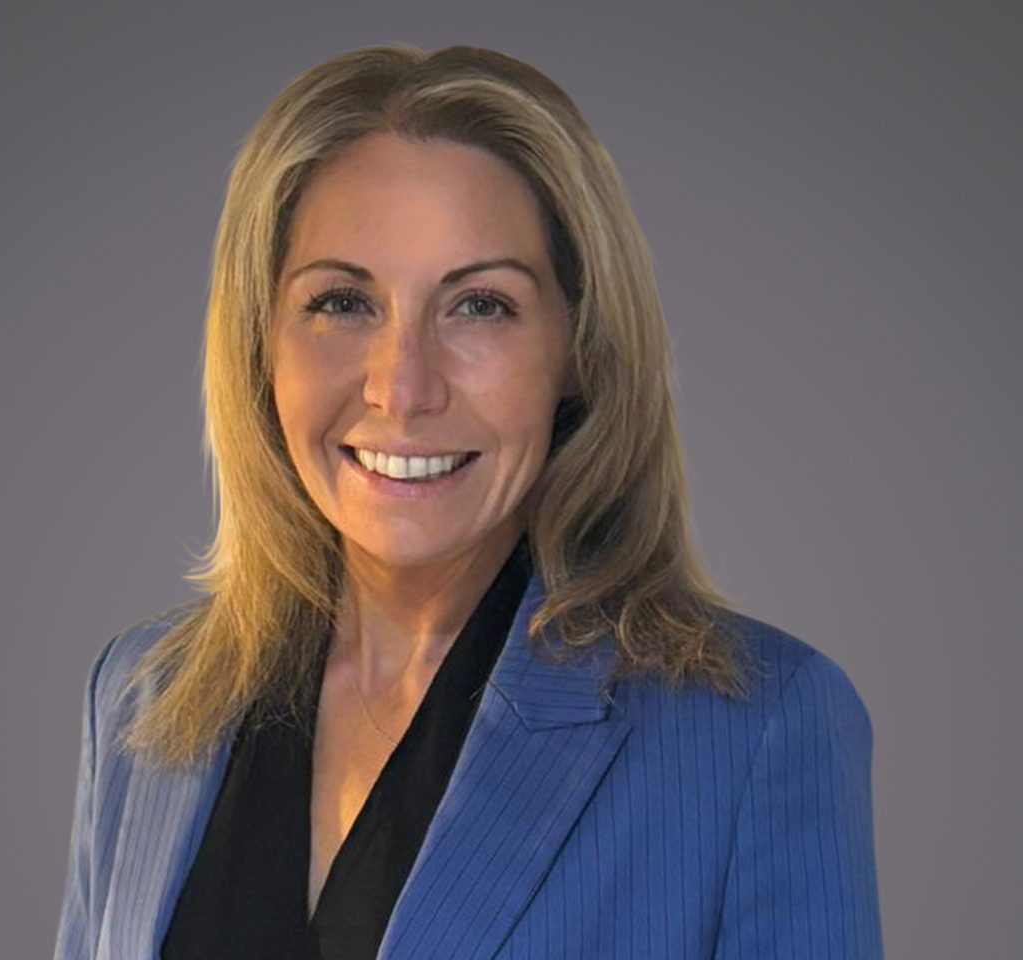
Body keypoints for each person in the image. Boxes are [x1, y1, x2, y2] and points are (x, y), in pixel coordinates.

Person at [53, 43, 883, 960]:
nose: (402, 389)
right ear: (262, 345)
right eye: (341, 302)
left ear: (580, 346)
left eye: (480, 306)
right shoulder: (144, 701)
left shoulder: (756, 728)